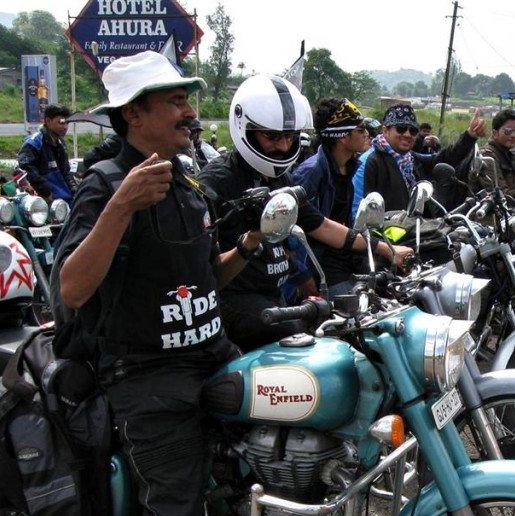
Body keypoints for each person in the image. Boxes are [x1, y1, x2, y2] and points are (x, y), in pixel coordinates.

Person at [53, 50, 251, 516]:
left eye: (186, 99)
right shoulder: (106, 183)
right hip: (146, 376)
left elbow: (202, 285)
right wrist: (119, 205)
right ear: (134, 113)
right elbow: (72, 289)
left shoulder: (188, 184)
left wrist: (251, 244)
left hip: (208, 355)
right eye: (173, 100)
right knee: (175, 511)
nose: (188, 111)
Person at [200, 77, 404, 350]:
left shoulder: (280, 180)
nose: (283, 146)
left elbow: (322, 226)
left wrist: (385, 248)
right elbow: (203, 270)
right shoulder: (215, 183)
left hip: (276, 297)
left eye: (290, 136)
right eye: (271, 136)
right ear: (244, 127)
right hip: (236, 303)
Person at [291, 97, 413, 297]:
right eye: (360, 129)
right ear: (342, 137)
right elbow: (293, 238)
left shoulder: (350, 167)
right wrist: (306, 283)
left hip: (346, 261)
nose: (367, 134)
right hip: (320, 271)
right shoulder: (311, 174)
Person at [352, 103, 485, 216]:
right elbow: (356, 210)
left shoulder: (410, 159)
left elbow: (445, 158)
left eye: (413, 131)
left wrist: (469, 137)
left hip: (414, 231)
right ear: (385, 130)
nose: (407, 135)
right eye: (401, 129)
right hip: (386, 238)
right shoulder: (369, 161)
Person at [17, 104, 76, 202]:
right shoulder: (34, 142)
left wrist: (76, 192)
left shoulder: (61, 143)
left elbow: (66, 172)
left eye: (67, 123)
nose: (65, 127)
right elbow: (26, 168)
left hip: (66, 200)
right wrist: (45, 192)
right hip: (47, 202)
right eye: (61, 122)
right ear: (48, 121)